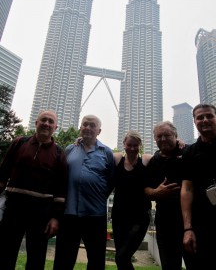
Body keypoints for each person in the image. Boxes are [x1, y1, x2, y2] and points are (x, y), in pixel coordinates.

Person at [0, 110, 68, 270]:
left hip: (41, 212)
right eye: (43, 120)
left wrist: (56, 218)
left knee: (36, 258)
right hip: (13, 208)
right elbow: (2, 175)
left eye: (50, 122)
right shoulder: (19, 143)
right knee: (4, 253)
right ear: (36, 123)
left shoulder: (59, 153)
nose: (46, 123)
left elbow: (61, 189)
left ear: (55, 127)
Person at [53, 114, 114, 270]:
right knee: (63, 259)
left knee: (96, 260)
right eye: (85, 124)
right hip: (69, 214)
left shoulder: (106, 152)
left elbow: (111, 182)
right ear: (80, 128)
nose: (88, 127)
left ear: (99, 131)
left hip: (95, 215)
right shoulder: (69, 149)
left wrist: (97, 196)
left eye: (92, 125)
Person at [144, 121, 194, 270]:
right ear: (154, 139)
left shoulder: (189, 153)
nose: (163, 139)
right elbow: (144, 188)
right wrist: (155, 192)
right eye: (159, 136)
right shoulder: (154, 161)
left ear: (176, 136)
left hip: (192, 221)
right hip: (165, 223)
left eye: (167, 135)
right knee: (169, 265)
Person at [180, 104, 216, 270]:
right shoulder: (190, 153)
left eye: (209, 116)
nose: (204, 120)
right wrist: (187, 228)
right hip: (201, 225)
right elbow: (187, 190)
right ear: (194, 122)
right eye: (200, 117)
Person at [111, 130, 152, 270]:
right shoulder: (117, 159)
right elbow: (97, 153)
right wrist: (79, 142)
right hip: (119, 217)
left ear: (140, 145)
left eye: (136, 145)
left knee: (121, 256)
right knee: (122, 258)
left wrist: (179, 144)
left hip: (139, 218)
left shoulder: (146, 160)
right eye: (129, 145)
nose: (132, 148)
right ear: (124, 144)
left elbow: (164, 155)